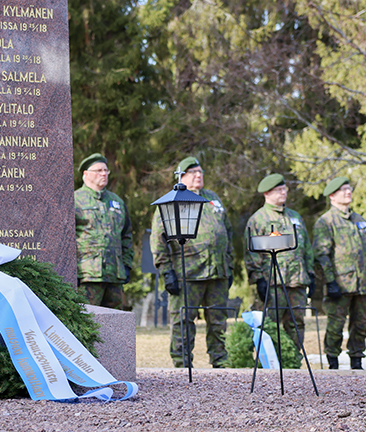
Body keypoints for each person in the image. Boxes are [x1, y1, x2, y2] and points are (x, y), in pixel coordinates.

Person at [151, 157, 233, 368]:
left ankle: (220, 362)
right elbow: (158, 239)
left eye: (200, 171)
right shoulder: (174, 200)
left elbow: (228, 232)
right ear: (181, 176)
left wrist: (229, 265)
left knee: (218, 321)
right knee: (183, 321)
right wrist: (166, 271)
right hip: (187, 272)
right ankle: (182, 364)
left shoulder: (213, 198)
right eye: (192, 172)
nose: (198, 175)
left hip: (217, 271)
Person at [312, 176, 366, 370]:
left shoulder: (360, 221)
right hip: (340, 285)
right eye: (343, 190)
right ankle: (333, 363)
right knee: (336, 326)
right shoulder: (326, 222)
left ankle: (357, 361)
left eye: (349, 188)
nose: (348, 192)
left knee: (361, 325)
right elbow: (321, 255)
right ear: (332, 196)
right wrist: (330, 282)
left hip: (361, 284)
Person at [244, 173, 314, 354]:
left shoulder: (294, 217)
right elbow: (251, 252)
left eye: (284, 189)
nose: (283, 193)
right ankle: (271, 363)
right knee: (270, 324)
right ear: (266, 193)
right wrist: (258, 279)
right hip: (272, 282)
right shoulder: (258, 219)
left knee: (297, 323)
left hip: (296, 281)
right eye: (278, 190)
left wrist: (311, 274)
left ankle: (293, 359)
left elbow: (306, 247)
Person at [73, 153, 134, 310]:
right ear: (86, 174)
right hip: (87, 275)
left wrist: (126, 266)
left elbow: (126, 236)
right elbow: (66, 239)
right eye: (98, 170)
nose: (104, 174)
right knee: (87, 321)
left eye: (106, 170)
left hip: (115, 275)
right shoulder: (75, 200)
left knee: (116, 323)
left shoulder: (117, 202)